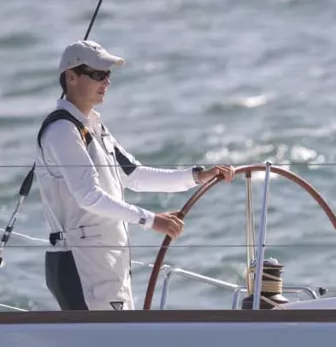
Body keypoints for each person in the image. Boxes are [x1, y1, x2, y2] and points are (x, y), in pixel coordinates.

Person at [36, 39, 237, 311]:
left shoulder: (94, 126)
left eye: (107, 74)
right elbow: (88, 196)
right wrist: (151, 220)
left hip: (102, 263)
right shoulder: (62, 130)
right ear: (71, 77)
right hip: (81, 264)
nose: (107, 81)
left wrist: (197, 177)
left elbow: (135, 175)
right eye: (97, 74)